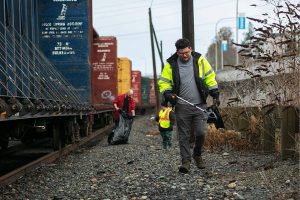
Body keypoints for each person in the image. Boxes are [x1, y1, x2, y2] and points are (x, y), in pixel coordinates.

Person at [158, 38, 220, 173]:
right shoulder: (170, 64)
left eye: (186, 52)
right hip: (181, 105)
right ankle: (185, 161)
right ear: (177, 52)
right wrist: (167, 93)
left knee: (201, 132)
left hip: (200, 105)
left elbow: (210, 76)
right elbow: (164, 82)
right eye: (181, 53)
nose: (184, 55)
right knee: (183, 135)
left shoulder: (200, 60)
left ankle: (197, 154)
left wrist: (215, 93)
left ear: (190, 49)